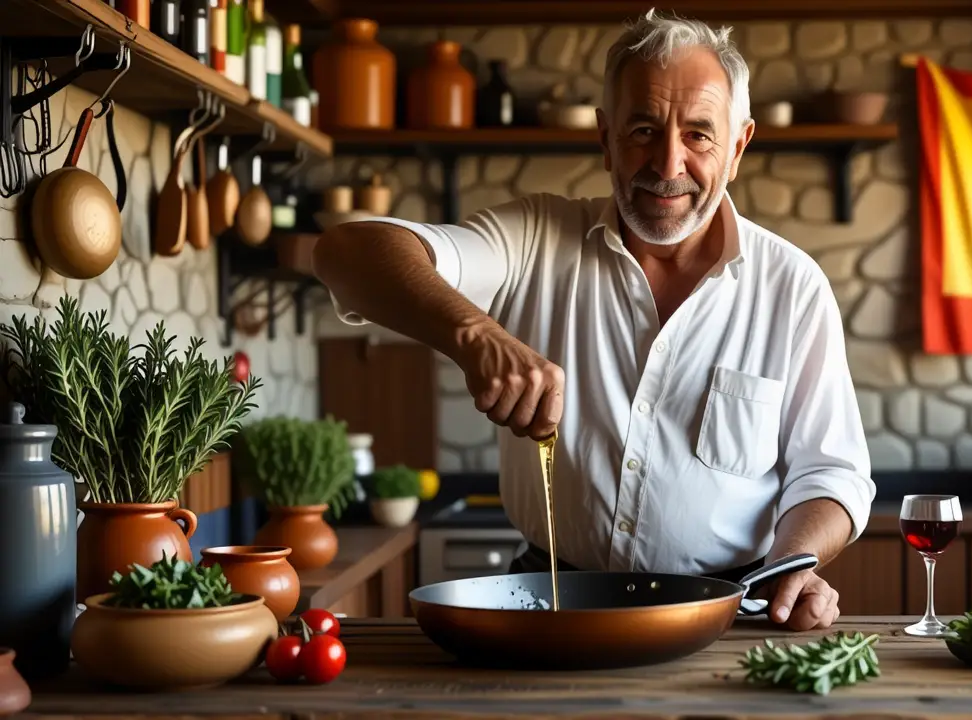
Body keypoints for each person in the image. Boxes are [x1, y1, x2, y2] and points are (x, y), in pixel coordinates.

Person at [312, 8, 875, 631]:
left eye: (697, 134)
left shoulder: (792, 287)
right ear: (604, 138)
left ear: (737, 147)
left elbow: (831, 473)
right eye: (642, 130)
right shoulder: (532, 238)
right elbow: (346, 252)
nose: (667, 164)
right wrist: (476, 335)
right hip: (552, 601)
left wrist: (793, 564)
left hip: (731, 611)